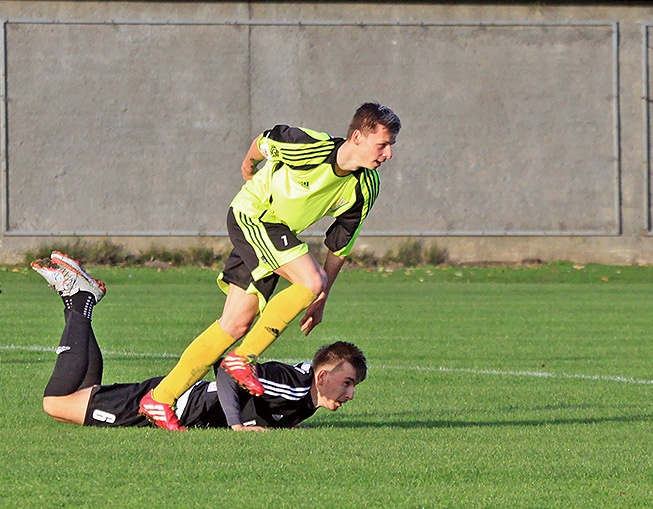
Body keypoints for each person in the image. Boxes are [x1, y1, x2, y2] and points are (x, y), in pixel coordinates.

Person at [137, 102, 399, 430]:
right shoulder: (310, 147)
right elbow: (264, 141)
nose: (388, 154)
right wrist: (248, 167)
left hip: (275, 234)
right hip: (252, 215)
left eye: (391, 146)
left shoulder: (365, 187)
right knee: (309, 279)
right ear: (358, 137)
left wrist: (322, 298)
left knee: (233, 324)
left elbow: (338, 248)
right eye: (383, 144)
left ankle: (160, 398)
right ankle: (241, 359)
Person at [31, 253, 366, 430]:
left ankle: (77, 299)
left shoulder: (305, 398)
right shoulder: (294, 385)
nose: (350, 394)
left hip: (178, 399)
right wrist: (238, 424)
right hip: (178, 405)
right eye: (348, 382)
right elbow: (228, 370)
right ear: (323, 376)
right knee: (55, 404)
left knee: (78, 396)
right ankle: (80, 300)